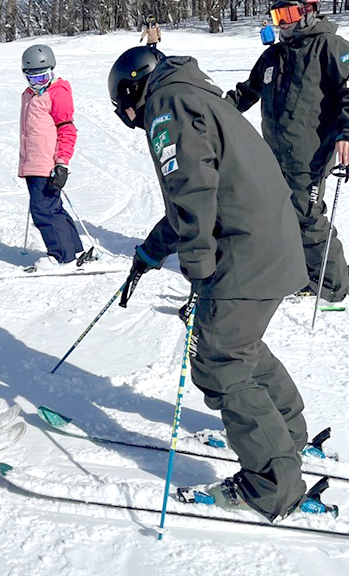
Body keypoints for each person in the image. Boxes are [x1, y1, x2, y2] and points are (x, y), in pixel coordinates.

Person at [107, 45, 334, 522]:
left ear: (134, 90)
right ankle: (287, 438)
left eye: (124, 107)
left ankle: (272, 485)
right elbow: (195, 195)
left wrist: (199, 269)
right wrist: (151, 251)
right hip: (272, 244)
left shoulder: (167, 107)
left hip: (245, 251)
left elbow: (191, 190)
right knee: (240, 343)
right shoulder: (194, 95)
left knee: (218, 360)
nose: (129, 117)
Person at [227, 0, 349, 303]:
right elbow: (245, 93)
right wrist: (213, 113)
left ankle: (333, 285)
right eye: (277, 16)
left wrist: (347, 134)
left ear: (308, 10)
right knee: (278, 214)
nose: (282, 23)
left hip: (311, 153)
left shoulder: (330, 47)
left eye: (288, 14)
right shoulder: (273, 57)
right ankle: (293, 270)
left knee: (308, 217)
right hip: (275, 153)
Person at [19, 44, 83, 269]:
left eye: (44, 77)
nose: (39, 84)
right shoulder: (28, 95)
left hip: (47, 165)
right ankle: (74, 249)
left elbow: (67, 130)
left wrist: (62, 163)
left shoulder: (57, 93)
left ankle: (61, 256)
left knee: (43, 210)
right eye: (33, 79)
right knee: (53, 208)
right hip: (33, 164)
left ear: (52, 72)